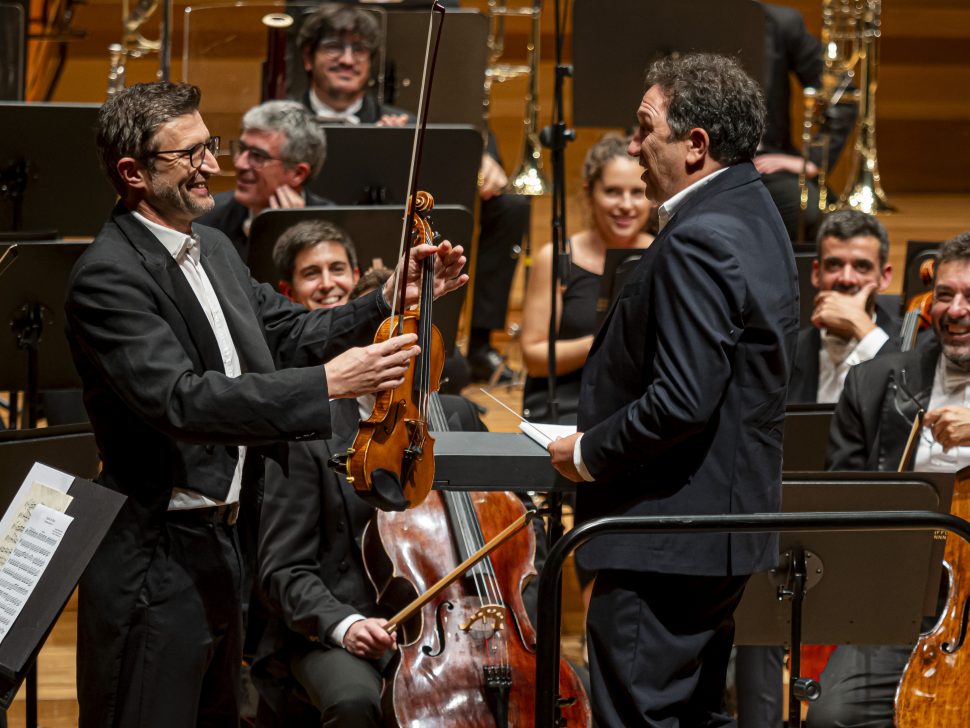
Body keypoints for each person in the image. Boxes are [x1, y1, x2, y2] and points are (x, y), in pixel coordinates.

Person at [64, 81, 466, 728]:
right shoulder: (108, 276)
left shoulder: (215, 249)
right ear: (133, 173)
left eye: (209, 146)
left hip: (226, 547)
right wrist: (326, 384)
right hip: (154, 559)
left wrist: (387, 297)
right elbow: (182, 401)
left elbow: (285, 331)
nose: (213, 167)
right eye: (188, 154)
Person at [547, 53, 799, 726]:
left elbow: (684, 399)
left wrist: (588, 453)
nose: (632, 147)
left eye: (644, 128)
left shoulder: (701, 237)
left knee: (641, 715)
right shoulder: (755, 213)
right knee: (695, 716)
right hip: (716, 532)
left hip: (664, 536)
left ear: (695, 145)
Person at [253, 223, 489, 726]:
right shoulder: (309, 434)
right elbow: (282, 570)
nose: (403, 354)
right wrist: (346, 623)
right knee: (353, 700)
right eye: (388, 339)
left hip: (452, 625)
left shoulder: (457, 416)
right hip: (344, 624)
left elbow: (513, 535)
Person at [296, 2, 532, 382]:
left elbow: (441, 182)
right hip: (319, 270)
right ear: (308, 58)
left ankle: (470, 344)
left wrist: (479, 161)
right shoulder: (281, 123)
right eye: (333, 48)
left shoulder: (403, 124)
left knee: (509, 207)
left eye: (359, 50)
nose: (347, 59)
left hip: (382, 268)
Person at [807, 230, 970, 728]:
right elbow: (844, 508)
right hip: (905, 599)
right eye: (945, 295)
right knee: (833, 717)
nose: (955, 310)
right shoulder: (876, 383)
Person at [520, 133, 654, 424]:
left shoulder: (663, 251)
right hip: (567, 404)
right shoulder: (555, 257)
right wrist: (605, 342)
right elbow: (534, 357)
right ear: (589, 192)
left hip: (639, 402)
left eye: (637, 191)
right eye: (613, 191)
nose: (626, 205)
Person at [756, 2, 858, 242]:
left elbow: (842, 95)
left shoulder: (780, 24)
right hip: (689, 166)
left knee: (810, 212)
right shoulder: (675, 21)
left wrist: (812, 161)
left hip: (761, 165)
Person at [195, 99, 331, 263]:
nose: (240, 163)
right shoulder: (206, 219)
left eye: (258, 156)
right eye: (242, 149)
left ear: (298, 173)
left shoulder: (332, 229)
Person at [788, 209, 900, 403]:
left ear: (884, 277)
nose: (847, 279)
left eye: (862, 266)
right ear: (816, 273)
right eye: (834, 265)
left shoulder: (914, 345)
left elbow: (910, 401)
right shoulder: (788, 352)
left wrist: (859, 324)